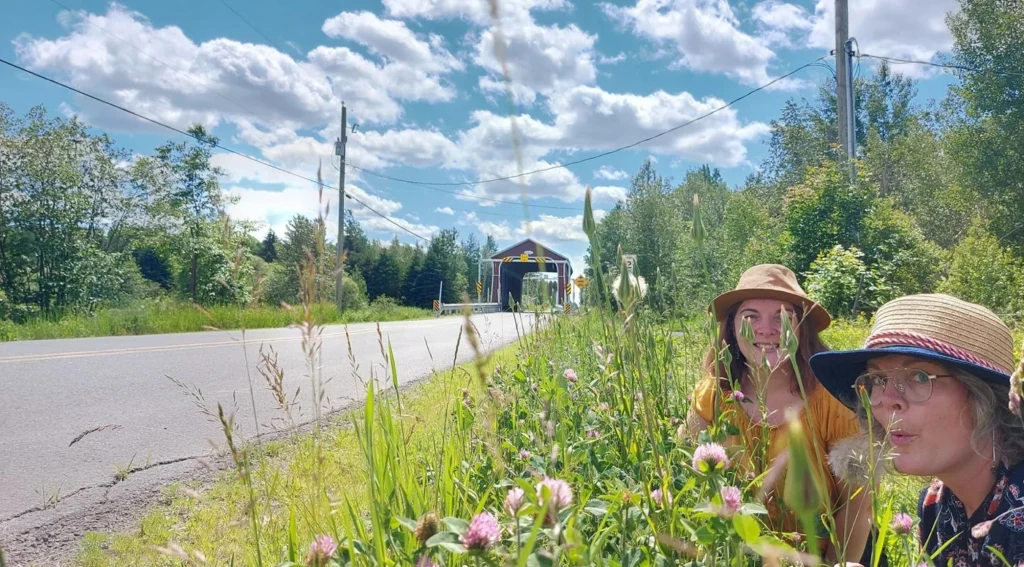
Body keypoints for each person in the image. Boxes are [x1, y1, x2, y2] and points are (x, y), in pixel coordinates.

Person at [811, 293, 1024, 565]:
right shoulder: (937, 504)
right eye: (877, 379)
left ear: (986, 398)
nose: (887, 400)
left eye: (920, 377)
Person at [686, 264, 872, 563]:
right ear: (732, 327)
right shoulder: (712, 394)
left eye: (783, 317)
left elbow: (858, 505)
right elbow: (689, 474)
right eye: (751, 317)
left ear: (801, 328)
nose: (766, 329)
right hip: (740, 553)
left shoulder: (834, 398)